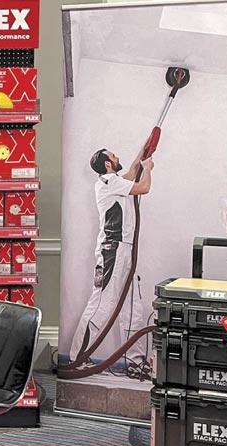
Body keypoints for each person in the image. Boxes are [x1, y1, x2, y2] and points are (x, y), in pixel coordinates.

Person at [68, 148, 153, 373]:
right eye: (113, 156)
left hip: (125, 250)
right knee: (101, 305)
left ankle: (135, 361)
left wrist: (147, 147)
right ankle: (77, 359)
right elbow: (143, 187)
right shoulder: (108, 182)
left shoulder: (115, 182)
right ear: (107, 164)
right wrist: (148, 169)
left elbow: (133, 170)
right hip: (112, 251)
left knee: (132, 307)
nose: (117, 157)